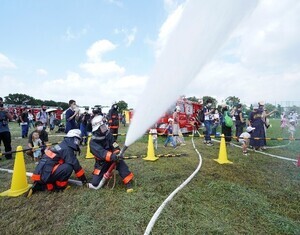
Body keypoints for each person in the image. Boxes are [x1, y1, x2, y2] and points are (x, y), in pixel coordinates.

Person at [27, 129, 87, 197]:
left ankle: (40, 184)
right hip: (44, 175)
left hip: (41, 173)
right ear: (75, 139)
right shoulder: (67, 149)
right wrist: (84, 180)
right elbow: (76, 165)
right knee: (68, 167)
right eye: (78, 140)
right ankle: (59, 187)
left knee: (64, 164)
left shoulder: (63, 145)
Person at [89, 115, 134, 192]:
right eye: (103, 126)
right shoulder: (93, 142)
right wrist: (112, 156)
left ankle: (128, 182)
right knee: (95, 183)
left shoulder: (108, 135)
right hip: (101, 164)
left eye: (105, 125)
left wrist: (117, 152)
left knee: (121, 164)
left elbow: (114, 144)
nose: (106, 127)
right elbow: (102, 153)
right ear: (97, 129)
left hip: (113, 159)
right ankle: (105, 175)